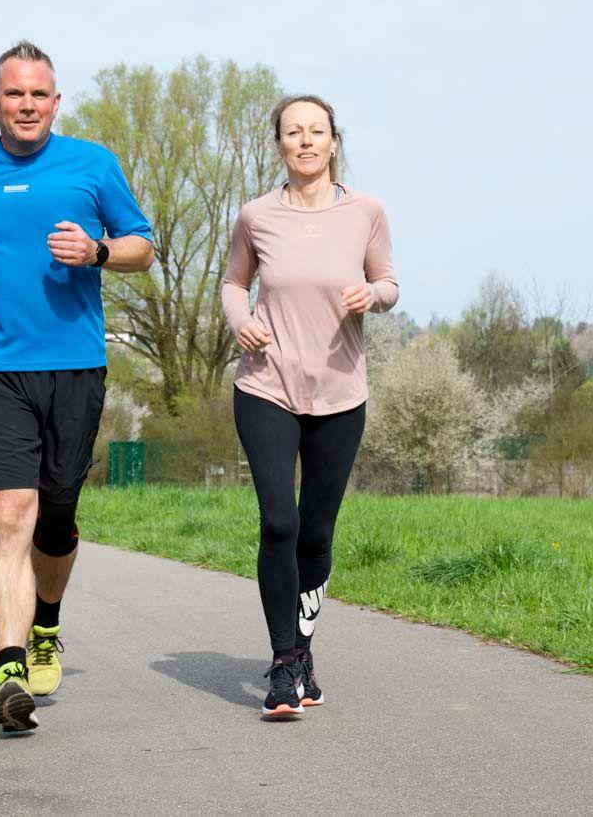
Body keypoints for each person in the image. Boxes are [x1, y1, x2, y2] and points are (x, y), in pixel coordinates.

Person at [0, 40, 154, 733]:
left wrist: (96, 250)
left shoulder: (92, 164)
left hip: (74, 366)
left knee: (55, 518)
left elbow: (142, 245)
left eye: (39, 94)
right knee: (8, 516)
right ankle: (7, 668)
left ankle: (46, 623)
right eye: (14, 93)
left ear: (55, 102)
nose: (26, 104)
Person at [220, 94, 397, 718]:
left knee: (317, 531)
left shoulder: (366, 212)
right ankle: (280, 665)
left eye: (316, 131)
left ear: (333, 141)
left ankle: (303, 651)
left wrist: (371, 295)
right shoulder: (256, 216)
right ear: (278, 144)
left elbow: (390, 283)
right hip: (266, 385)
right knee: (279, 522)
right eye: (292, 132)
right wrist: (240, 320)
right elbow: (233, 282)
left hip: (341, 393)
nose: (305, 141)